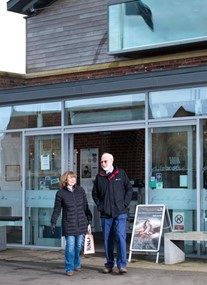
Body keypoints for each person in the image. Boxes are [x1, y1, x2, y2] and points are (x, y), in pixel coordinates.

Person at [92, 153, 133, 274]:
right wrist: (101, 206)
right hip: (106, 214)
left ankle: (121, 265)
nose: (103, 164)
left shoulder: (121, 173)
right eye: (101, 162)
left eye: (105, 161)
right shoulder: (99, 177)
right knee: (107, 240)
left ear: (112, 161)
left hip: (120, 212)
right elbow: (95, 194)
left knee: (120, 237)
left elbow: (129, 189)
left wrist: (125, 204)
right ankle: (109, 264)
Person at [51, 171, 92, 277]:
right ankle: (69, 267)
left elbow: (85, 206)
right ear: (65, 180)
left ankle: (77, 264)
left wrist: (89, 218)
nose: (73, 179)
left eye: (74, 177)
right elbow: (57, 209)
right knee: (70, 246)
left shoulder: (80, 190)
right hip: (69, 223)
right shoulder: (60, 193)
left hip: (81, 223)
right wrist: (53, 221)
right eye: (71, 178)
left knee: (78, 246)